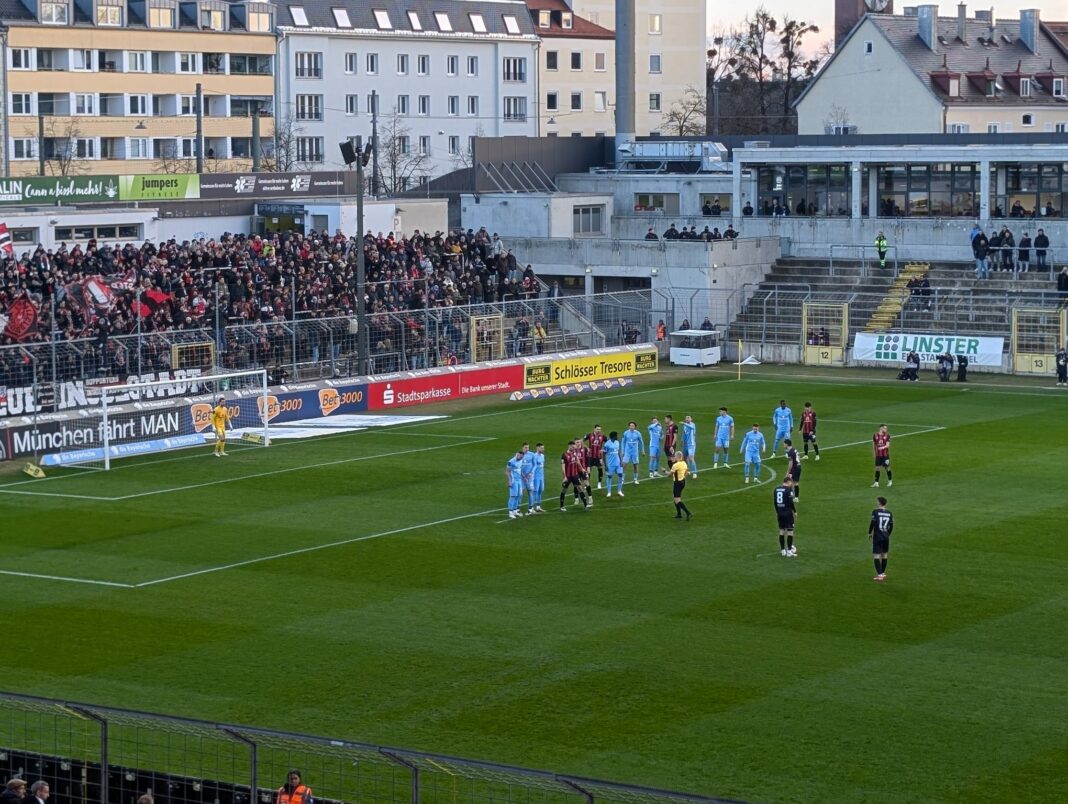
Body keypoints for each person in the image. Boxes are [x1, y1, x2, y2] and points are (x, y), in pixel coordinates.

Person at [559, 439, 590, 511]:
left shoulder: (574, 453)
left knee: (580, 488)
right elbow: (563, 467)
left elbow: (578, 462)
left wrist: (582, 469)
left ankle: (586, 505)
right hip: (568, 476)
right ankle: (562, 506)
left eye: (574, 447)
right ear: (569, 446)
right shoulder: (564, 455)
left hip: (575, 475)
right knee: (564, 490)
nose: (574, 448)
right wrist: (564, 477)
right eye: (572, 447)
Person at [868, 496, 894, 582]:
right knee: (884, 555)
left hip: (878, 536)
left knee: (876, 556)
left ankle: (879, 575)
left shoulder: (875, 512)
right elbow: (891, 526)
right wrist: (887, 534)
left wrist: (869, 533)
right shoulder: (889, 513)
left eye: (877, 501)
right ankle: (882, 573)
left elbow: (873, 523)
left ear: (879, 503)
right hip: (886, 537)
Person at [773, 475, 797, 557]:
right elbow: (791, 502)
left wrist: (777, 511)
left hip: (780, 513)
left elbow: (775, 502)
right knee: (790, 531)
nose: (792, 484)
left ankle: (783, 550)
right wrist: (795, 511)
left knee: (781, 531)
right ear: (788, 482)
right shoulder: (789, 490)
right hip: (787, 513)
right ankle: (789, 551)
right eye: (791, 482)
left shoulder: (776, 489)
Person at [669, 451, 692, 521]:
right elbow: (687, 472)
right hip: (682, 482)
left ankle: (688, 513)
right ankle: (679, 514)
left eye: (675, 456)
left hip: (677, 483)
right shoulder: (684, 463)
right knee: (675, 498)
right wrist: (683, 477)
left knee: (677, 500)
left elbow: (669, 475)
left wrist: (664, 471)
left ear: (677, 457)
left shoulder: (675, 465)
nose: (674, 457)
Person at [621, 420, 645, 484]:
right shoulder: (625, 433)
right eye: (630, 425)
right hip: (627, 451)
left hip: (635, 452)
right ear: (628, 426)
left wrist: (642, 450)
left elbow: (641, 442)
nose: (631, 427)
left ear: (635, 427)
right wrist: (622, 451)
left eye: (633, 426)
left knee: (635, 465)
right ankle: (622, 479)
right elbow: (623, 442)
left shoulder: (638, 433)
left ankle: (635, 479)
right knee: (624, 465)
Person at [583, 424, 606, 489]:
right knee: (589, 470)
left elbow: (608, 443)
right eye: (597, 429)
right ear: (594, 429)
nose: (599, 430)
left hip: (598, 456)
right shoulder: (589, 435)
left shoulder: (603, 436)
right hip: (590, 456)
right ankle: (587, 484)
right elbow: (581, 441)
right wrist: (587, 448)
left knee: (600, 469)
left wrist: (603, 449)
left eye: (600, 429)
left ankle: (599, 483)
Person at [603, 430, 624, 497]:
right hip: (610, 464)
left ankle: (619, 491)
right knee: (609, 476)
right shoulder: (607, 444)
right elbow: (603, 455)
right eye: (617, 435)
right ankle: (609, 492)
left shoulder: (617, 442)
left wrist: (621, 461)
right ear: (614, 436)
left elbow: (618, 452)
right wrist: (605, 465)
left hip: (618, 463)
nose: (618, 436)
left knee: (620, 475)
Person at [506, 448, 524, 519]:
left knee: (519, 495)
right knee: (513, 496)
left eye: (522, 457)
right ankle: (510, 512)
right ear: (517, 454)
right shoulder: (511, 461)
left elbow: (520, 470)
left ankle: (515, 510)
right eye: (520, 456)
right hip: (513, 481)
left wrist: (524, 477)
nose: (521, 458)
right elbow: (507, 471)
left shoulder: (520, 460)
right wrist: (510, 481)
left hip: (519, 481)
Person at [519, 442, 536, 515]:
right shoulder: (520, 455)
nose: (527, 449)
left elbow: (535, 465)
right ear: (522, 448)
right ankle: (517, 509)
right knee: (520, 493)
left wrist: (531, 472)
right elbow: (518, 467)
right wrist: (523, 475)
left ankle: (530, 508)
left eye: (528, 447)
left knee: (530, 492)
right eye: (525, 447)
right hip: (521, 477)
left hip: (530, 477)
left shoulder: (532, 454)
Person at [529, 442, 546, 513]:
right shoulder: (534, 456)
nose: (543, 449)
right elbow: (533, 467)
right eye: (541, 448)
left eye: (543, 448)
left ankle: (538, 507)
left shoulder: (542, 456)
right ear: (537, 448)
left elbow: (542, 466)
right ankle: (531, 508)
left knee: (540, 491)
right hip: (536, 477)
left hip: (541, 476)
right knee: (534, 492)